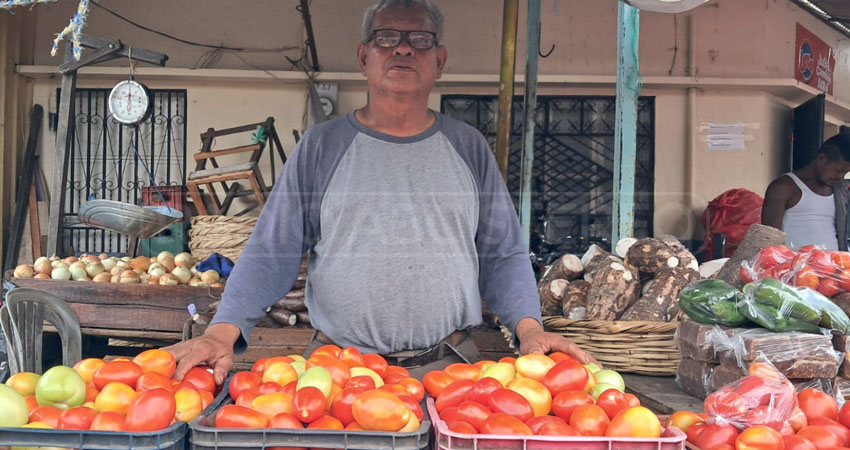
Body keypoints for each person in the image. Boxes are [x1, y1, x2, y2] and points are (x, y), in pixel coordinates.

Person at [166, 0, 595, 384]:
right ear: (363, 57)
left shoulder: (468, 148)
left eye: (420, 40)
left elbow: (503, 253)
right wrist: (221, 333)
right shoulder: (322, 147)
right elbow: (270, 252)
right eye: (386, 37)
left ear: (440, 60)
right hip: (338, 371)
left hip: (449, 372)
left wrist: (531, 330)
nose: (403, 49)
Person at [762, 134, 850, 250]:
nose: (840, 177)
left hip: (834, 265)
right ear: (821, 159)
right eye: (839, 170)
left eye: (845, 173)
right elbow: (769, 239)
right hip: (796, 266)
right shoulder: (784, 187)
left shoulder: (840, 190)